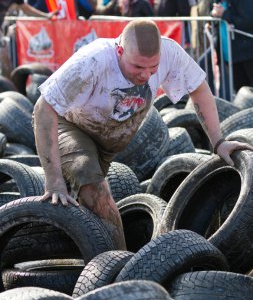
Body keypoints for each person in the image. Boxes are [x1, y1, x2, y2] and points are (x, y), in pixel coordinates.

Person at [33, 18, 253, 250]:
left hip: (108, 143)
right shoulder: (93, 59)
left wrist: (218, 142)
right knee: (95, 189)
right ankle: (122, 266)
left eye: (153, 68)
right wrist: (54, 180)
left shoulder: (170, 53)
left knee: (86, 206)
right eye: (137, 67)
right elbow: (43, 108)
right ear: (120, 51)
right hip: (72, 128)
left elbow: (199, 89)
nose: (146, 75)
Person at [203, 0, 253, 92]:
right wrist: (212, 18)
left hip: (246, 52)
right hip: (229, 53)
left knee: (249, 88)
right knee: (240, 90)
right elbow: (214, 17)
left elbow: (248, 21)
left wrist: (224, 14)